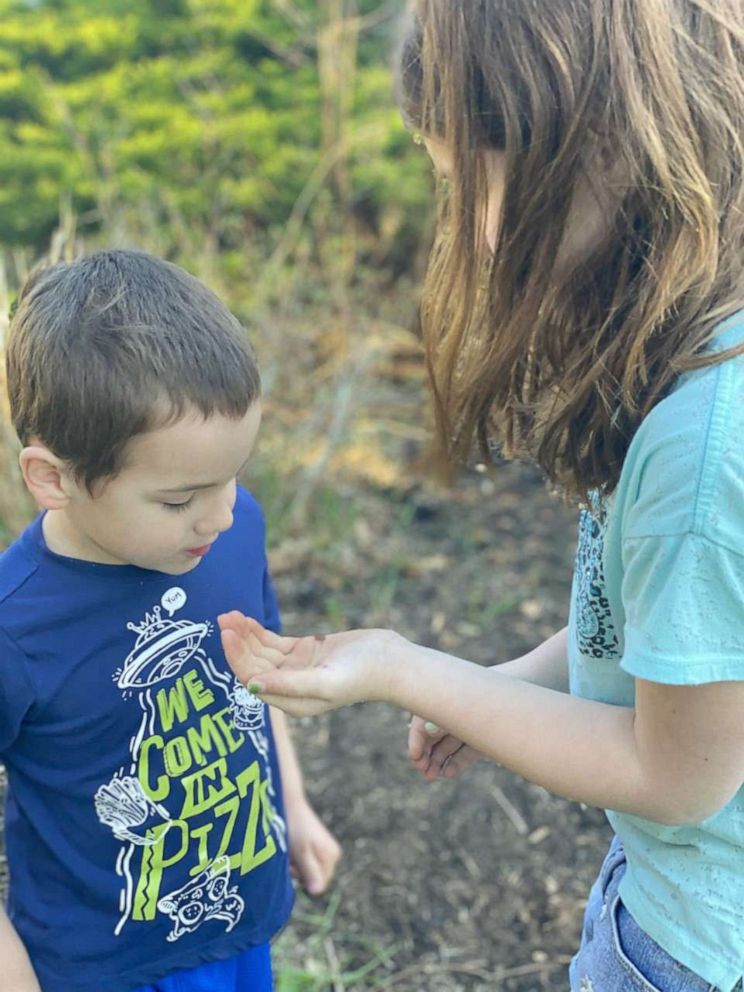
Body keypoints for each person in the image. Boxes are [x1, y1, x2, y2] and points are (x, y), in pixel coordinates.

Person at [218, 2, 744, 990]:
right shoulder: (699, 342)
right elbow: (656, 633)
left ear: (590, 138)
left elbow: (675, 773)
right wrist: (503, 683)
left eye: (467, 182)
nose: (477, 233)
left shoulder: (702, 445)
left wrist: (403, 666)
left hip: (694, 945)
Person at [0, 249, 341, 992]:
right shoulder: (14, 629)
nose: (220, 514)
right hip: (102, 966)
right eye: (180, 499)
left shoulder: (230, 528)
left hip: (241, 920)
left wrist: (296, 808)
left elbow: (256, 679)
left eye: (234, 477)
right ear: (53, 479)